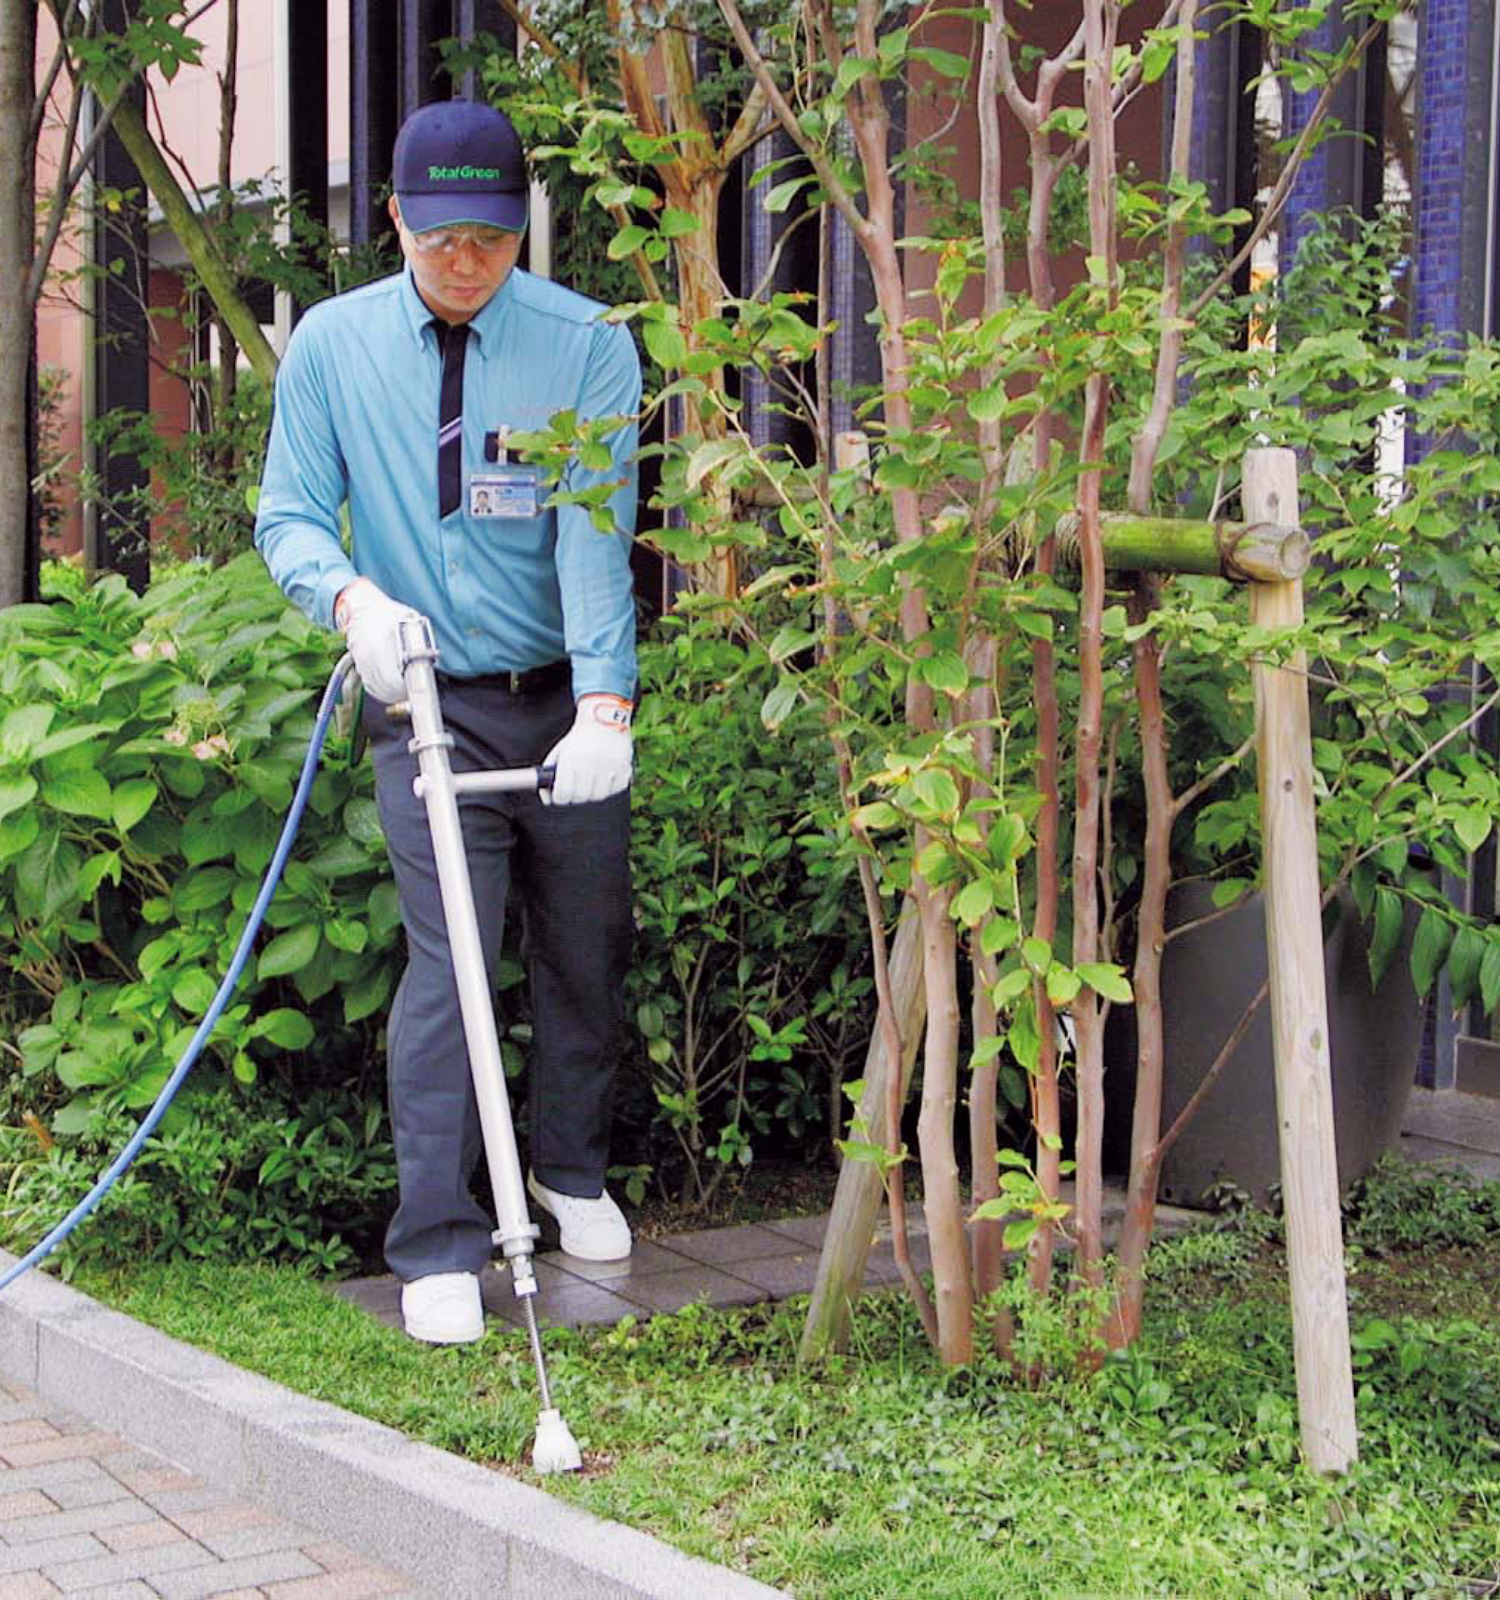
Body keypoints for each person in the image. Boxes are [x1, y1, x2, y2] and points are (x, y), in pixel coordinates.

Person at [254, 101, 640, 1346]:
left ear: (523, 224)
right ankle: (436, 1238)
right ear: (396, 223)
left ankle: (569, 1170)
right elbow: (290, 515)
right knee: (453, 960)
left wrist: (606, 704)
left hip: (557, 696)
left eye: (489, 235)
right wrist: (353, 599)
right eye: (440, 238)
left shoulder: (586, 346)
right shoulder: (333, 344)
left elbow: (596, 530)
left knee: (585, 949)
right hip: (429, 700)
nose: (465, 261)